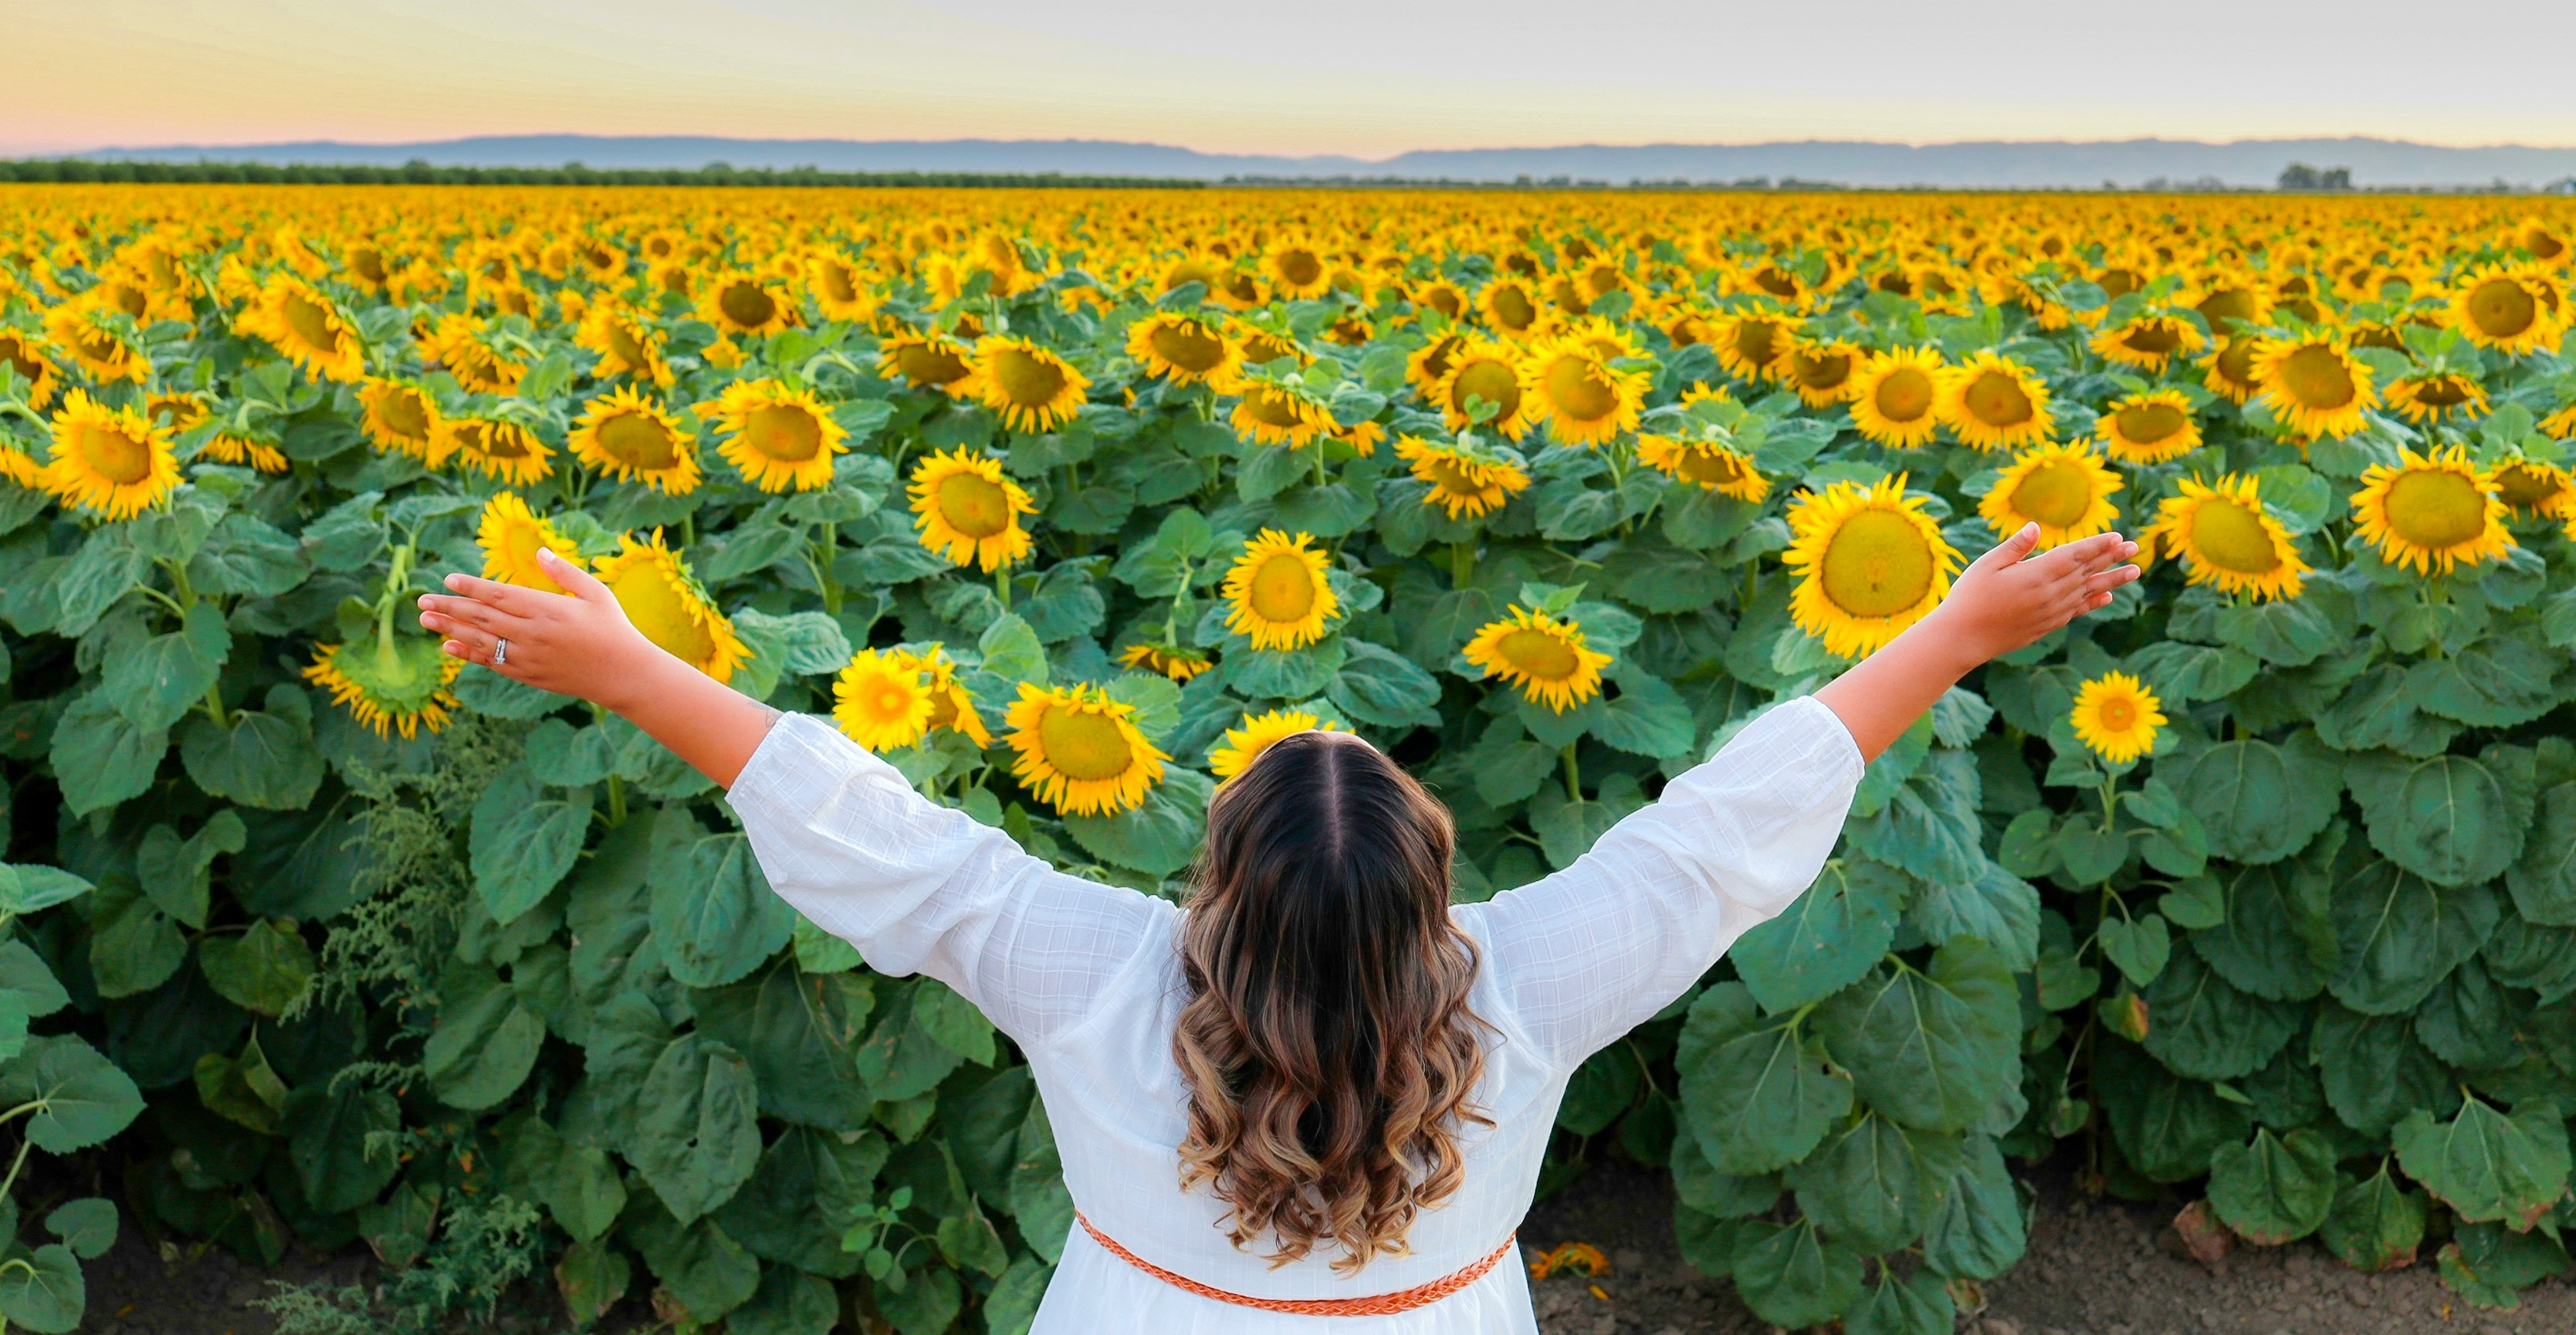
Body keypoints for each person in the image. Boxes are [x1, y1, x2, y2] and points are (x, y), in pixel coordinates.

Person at [418, 520, 2136, 1331]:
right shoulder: (1524, 981)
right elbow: (1716, 843)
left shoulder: (1090, 970)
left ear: (1207, 893)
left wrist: (633, 669)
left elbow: (888, 843)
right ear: (1436, 894)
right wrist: (1958, 635)